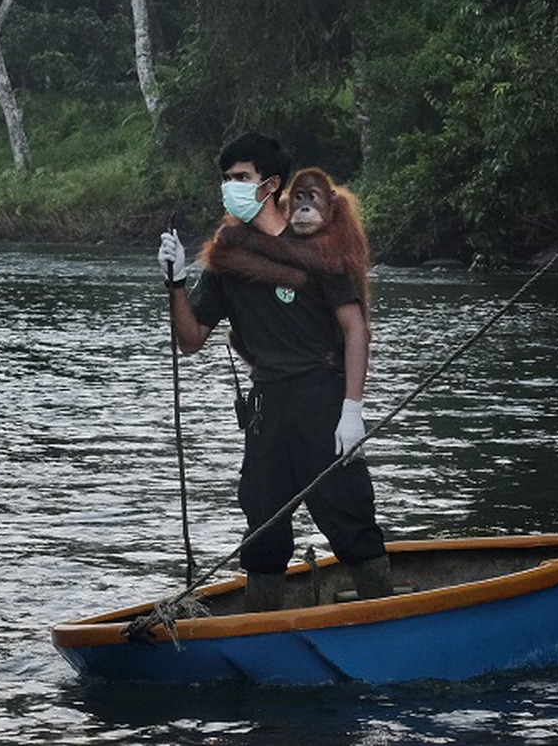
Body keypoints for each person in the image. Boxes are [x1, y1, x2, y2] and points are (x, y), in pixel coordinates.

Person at [157, 131, 393, 608]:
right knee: (262, 525)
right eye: (226, 179)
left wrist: (352, 408)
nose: (231, 188)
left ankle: (385, 613)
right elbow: (191, 340)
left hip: (321, 400)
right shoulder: (227, 256)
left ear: (270, 184)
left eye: (241, 178)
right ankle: (258, 623)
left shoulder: (318, 246)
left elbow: (355, 329)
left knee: (347, 514)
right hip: (267, 407)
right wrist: (177, 282)